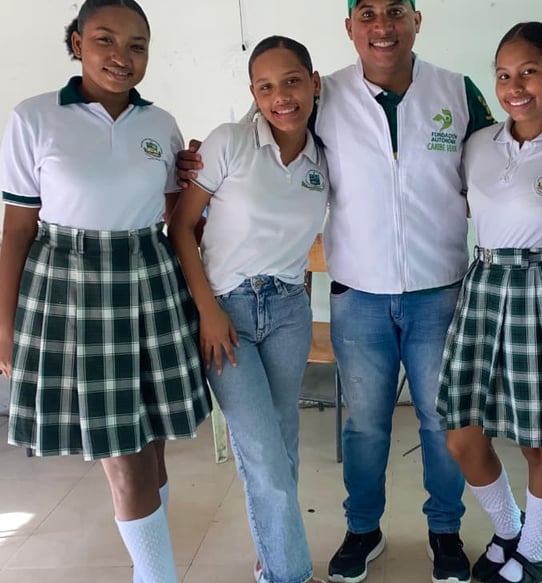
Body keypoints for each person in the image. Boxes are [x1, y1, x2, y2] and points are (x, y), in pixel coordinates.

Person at [177, 1, 495, 581]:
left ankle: (445, 531)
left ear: (417, 19)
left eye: (395, 11)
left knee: (440, 419)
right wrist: (192, 162)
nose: (382, 26)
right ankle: (363, 528)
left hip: (440, 291)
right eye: (366, 13)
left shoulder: (459, 91)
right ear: (349, 28)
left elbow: (500, 163)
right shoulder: (327, 97)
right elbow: (266, 127)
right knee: (364, 424)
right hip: (358, 295)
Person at [0, 1, 210, 582]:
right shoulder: (34, 117)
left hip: (151, 281)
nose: (122, 56)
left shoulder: (160, 125)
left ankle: (151, 566)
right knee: (123, 452)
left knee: (153, 441)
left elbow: (179, 223)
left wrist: (203, 181)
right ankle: (157, 576)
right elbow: (17, 229)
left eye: (137, 45)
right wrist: (4, 323)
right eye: (105, 40)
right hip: (71, 289)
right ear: (76, 43)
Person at [437, 22, 542, 583]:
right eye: (504, 75)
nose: (515, 87)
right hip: (482, 287)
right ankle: (509, 528)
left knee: (537, 441)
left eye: (529, 72)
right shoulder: (478, 144)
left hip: (541, 293)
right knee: (462, 435)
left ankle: (534, 551)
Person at [168, 35, 328, 583]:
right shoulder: (230, 142)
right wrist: (208, 310)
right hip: (227, 314)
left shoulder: (324, 159)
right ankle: (289, 574)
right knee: (262, 454)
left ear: (314, 84)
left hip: (288, 312)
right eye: (266, 87)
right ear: (254, 94)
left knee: (282, 446)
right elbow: (181, 228)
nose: (281, 97)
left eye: (292, 82)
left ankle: (272, 556)